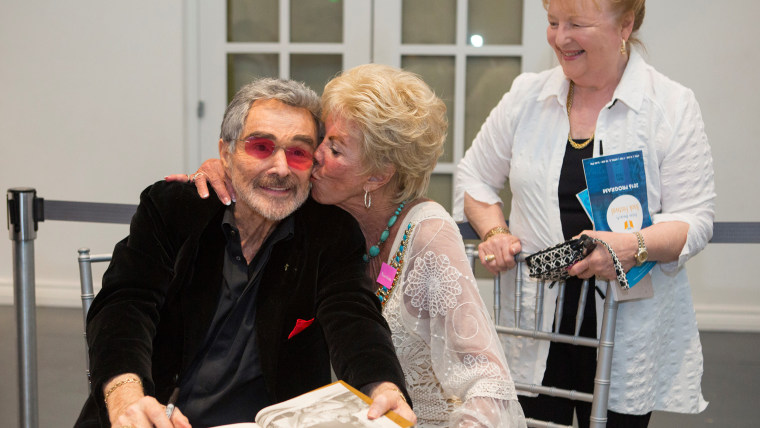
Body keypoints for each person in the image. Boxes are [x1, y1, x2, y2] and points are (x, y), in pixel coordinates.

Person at [174, 64, 527, 427]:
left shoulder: (427, 233)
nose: (315, 154)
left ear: (377, 176)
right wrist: (224, 169)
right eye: (322, 136)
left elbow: (488, 380)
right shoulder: (314, 211)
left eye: (336, 148)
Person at [74, 78, 413, 428]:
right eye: (262, 147)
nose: (281, 168)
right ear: (226, 153)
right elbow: (126, 302)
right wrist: (126, 394)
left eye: (298, 152)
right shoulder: (174, 209)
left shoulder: (329, 233)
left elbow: (353, 315)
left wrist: (382, 384)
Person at [454, 0, 715, 427]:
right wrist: (495, 230)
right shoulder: (527, 97)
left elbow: (696, 219)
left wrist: (633, 247)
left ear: (625, 25)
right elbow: (474, 178)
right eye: (553, 22)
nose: (560, 38)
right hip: (536, 319)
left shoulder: (669, 105)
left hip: (626, 320)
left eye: (577, 24)